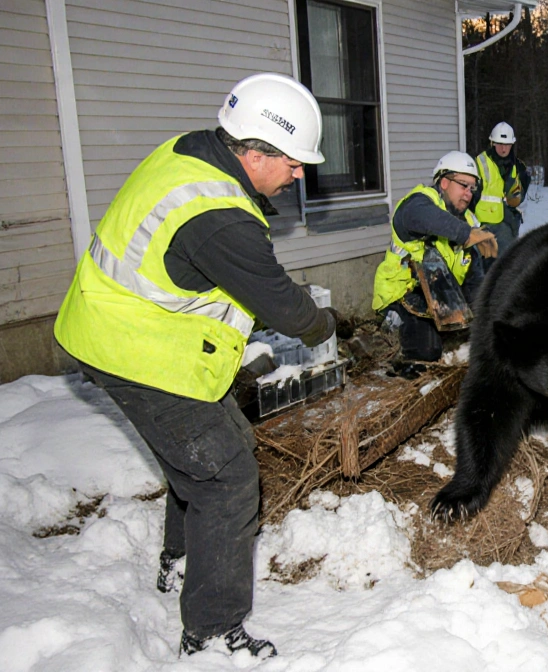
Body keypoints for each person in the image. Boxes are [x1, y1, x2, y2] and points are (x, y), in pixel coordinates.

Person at [53, 73, 339, 658]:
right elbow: (285, 307)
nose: (299, 174)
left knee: (213, 450)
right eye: (293, 162)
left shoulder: (193, 151)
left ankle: (182, 559)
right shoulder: (221, 217)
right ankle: (210, 632)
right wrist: (325, 324)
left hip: (127, 326)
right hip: (131, 347)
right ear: (256, 151)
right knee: (228, 481)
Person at [372, 151, 497, 372]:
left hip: (439, 300)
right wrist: (467, 234)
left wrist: (488, 318)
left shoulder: (468, 221)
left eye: (472, 188)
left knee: (478, 339)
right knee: (426, 352)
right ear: (445, 182)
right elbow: (423, 217)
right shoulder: (419, 203)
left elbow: (474, 281)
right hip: (402, 294)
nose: (468, 194)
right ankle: (390, 330)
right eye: (463, 185)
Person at [472, 122, 530, 260]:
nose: (504, 148)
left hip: (506, 223)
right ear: (492, 143)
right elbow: (470, 195)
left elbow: (520, 200)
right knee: (481, 264)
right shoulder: (480, 163)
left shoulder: (518, 167)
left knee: (508, 262)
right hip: (482, 223)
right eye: (500, 144)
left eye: (507, 144)